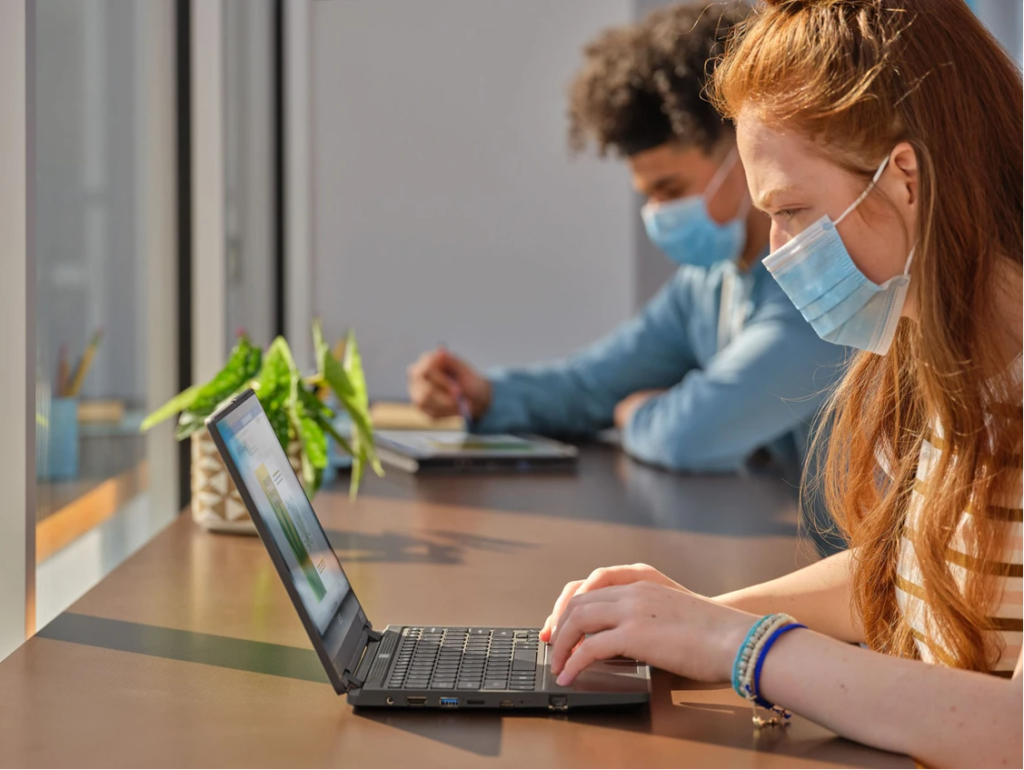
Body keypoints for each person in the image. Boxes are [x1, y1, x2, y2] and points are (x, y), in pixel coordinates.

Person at [537, 1, 1023, 766]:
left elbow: (1014, 732)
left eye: (792, 209)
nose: (778, 251)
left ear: (904, 179)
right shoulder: (944, 363)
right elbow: (912, 570)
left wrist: (738, 644)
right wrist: (681, 622)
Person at [407, 4, 848, 530]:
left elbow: (692, 436)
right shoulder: (709, 283)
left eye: (672, 190)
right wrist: (486, 395)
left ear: (743, 148)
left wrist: (634, 414)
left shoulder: (817, 289)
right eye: (649, 195)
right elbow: (595, 382)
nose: (660, 214)